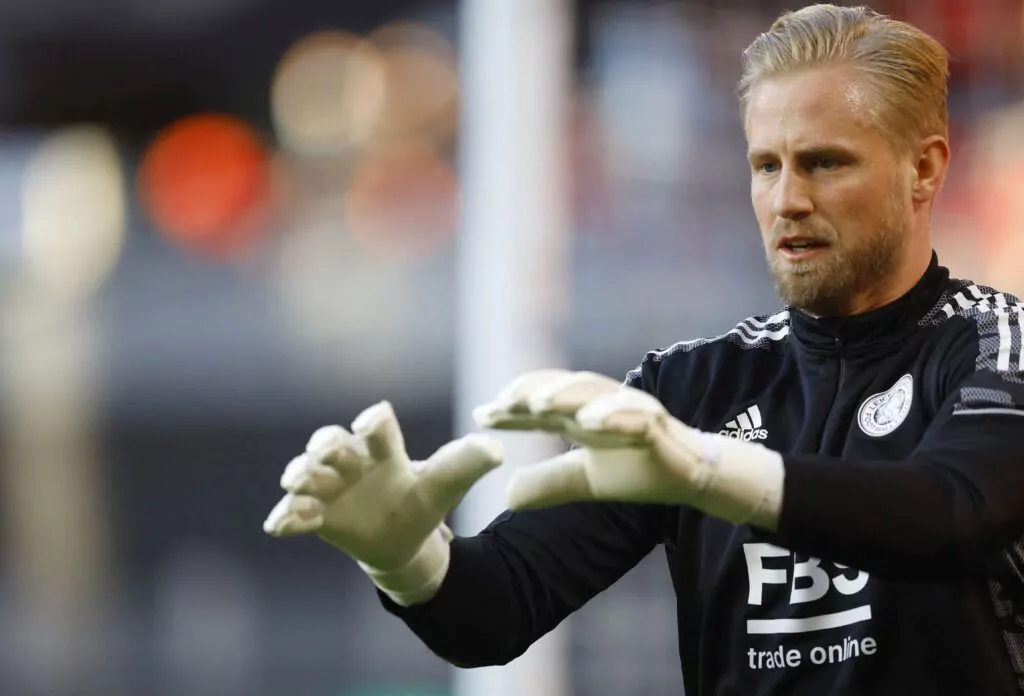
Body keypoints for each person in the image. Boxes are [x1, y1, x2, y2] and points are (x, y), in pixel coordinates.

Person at [263, 4, 1024, 694]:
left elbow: (950, 515)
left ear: (924, 169)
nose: (788, 199)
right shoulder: (693, 391)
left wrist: (708, 472)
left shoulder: (996, 347)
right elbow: (494, 612)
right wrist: (405, 558)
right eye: (766, 165)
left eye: (825, 162)